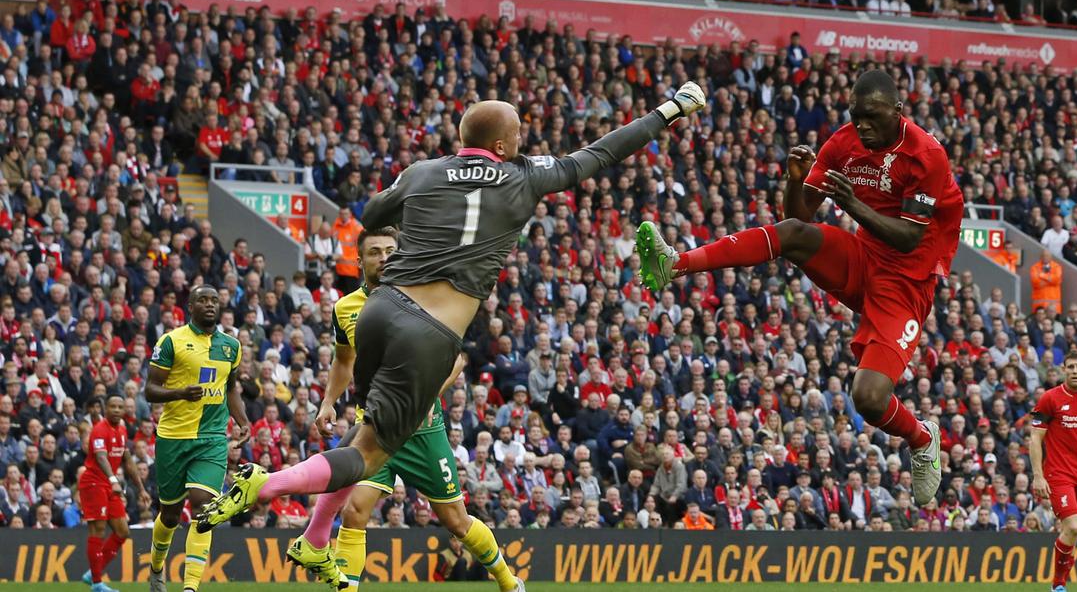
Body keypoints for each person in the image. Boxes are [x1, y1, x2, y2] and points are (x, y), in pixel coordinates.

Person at [197, 83, 708, 530]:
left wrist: (416, 191)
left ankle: (314, 540)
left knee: (370, 436)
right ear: (504, 146)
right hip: (429, 333)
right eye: (519, 138)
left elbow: (373, 214)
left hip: (377, 309)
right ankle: (267, 485)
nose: (524, 145)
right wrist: (671, 109)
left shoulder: (424, 170)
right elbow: (601, 153)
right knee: (367, 453)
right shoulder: (524, 176)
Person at [637, 69, 962, 506]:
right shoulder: (843, 144)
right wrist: (795, 180)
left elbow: (907, 237)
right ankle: (675, 263)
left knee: (867, 398)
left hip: (906, 281)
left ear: (898, 111)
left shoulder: (926, 154)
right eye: (855, 115)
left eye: (872, 116)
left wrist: (851, 204)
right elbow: (801, 214)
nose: (862, 124)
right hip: (862, 259)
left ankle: (922, 438)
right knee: (791, 233)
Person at [286, 227, 522, 592]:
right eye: (375, 252)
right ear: (359, 260)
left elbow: (456, 360)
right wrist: (328, 401)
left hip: (421, 429)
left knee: (456, 521)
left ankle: (509, 582)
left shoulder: (425, 298)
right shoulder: (345, 308)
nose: (383, 258)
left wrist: (419, 396)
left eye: (390, 251)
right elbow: (344, 359)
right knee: (354, 510)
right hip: (374, 429)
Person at [145, 285, 250, 592]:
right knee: (170, 514)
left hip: (212, 438)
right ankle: (156, 567)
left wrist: (242, 421)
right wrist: (179, 393)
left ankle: (190, 587)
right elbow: (150, 389)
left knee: (204, 506)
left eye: (214, 301)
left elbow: (230, 387)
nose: (209, 305)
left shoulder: (231, 345)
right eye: (202, 300)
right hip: (173, 438)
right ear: (189, 306)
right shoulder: (171, 341)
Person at [1029, 351, 1077, 592]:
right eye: (1070, 367)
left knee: (1074, 532)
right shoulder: (1049, 399)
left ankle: (1059, 584)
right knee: (1072, 526)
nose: (1074, 371)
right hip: (1058, 474)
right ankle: (1058, 584)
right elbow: (1035, 439)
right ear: (1064, 370)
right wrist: (1038, 475)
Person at [79, 394, 143, 592]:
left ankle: (92, 573)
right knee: (97, 530)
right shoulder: (99, 430)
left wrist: (140, 488)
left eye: (119, 407)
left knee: (123, 531)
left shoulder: (122, 430)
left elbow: (129, 461)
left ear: (124, 410)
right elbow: (100, 457)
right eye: (112, 406)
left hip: (108, 485)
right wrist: (114, 479)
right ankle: (97, 584)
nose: (116, 410)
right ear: (106, 409)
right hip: (94, 483)